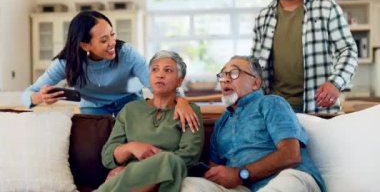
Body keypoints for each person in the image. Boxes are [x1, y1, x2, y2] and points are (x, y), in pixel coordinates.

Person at [21, 10, 199, 130]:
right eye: (104, 40)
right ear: (85, 45)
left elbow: (156, 84)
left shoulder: (126, 53)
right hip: (93, 108)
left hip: (129, 102)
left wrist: (181, 100)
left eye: (112, 34)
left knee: (133, 135)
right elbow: (26, 95)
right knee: (98, 142)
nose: (112, 43)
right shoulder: (66, 63)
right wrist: (38, 97)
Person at [181, 56, 325, 192]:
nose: (225, 79)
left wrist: (240, 174)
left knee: (288, 181)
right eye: (223, 75)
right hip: (245, 188)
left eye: (234, 73)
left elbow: (291, 155)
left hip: (289, 177)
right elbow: (216, 171)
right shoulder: (221, 123)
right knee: (189, 185)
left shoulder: (271, 103)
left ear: (255, 83)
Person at [95, 50, 204, 192]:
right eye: (155, 70)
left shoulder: (189, 111)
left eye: (168, 70)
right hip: (130, 177)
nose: (160, 74)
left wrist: (145, 168)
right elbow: (108, 156)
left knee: (169, 160)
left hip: (166, 176)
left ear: (179, 80)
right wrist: (132, 147)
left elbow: (190, 156)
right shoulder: (130, 110)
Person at [251, 0, 358, 113]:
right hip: (275, 110)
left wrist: (336, 83)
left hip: (318, 108)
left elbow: (348, 50)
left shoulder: (327, 8)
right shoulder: (263, 17)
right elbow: (254, 66)